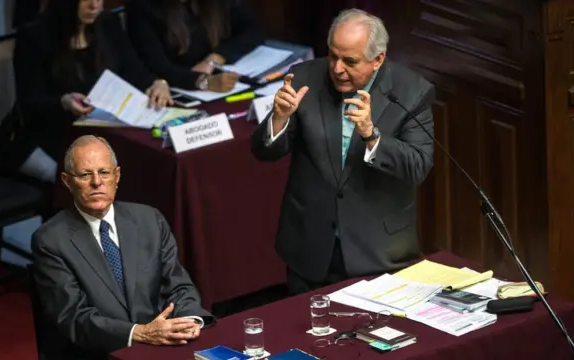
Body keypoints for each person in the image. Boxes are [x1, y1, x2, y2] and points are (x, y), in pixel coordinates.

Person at [250, 9, 435, 295]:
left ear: (378, 60)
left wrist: (371, 135)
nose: (337, 68)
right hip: (310, 247)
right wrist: (279, 118)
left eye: (349, 61)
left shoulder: (411, 92)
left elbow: (417, 166)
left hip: (378, 253)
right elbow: (263, 152)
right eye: (333, 55)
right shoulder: (303, 79)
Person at [31, 135, 215, 359]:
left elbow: (179, 287)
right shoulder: (51, 240)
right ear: (67, 181)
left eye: (104, 172)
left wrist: (189, 321)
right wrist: (138, 333)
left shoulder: (149, 220)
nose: (96, 182)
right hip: (98, 353)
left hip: (158, 346)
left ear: (116, 176)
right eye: (85, 174)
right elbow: (73, 317)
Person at [12, 0, 172, 184]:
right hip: (52, 137)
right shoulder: (33, 36)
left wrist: (158, 83)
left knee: (146, 169)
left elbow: (134, 71)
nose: (95, 6)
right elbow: (29, 103)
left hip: (101, 135)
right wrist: (63, 101)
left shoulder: (107, 23)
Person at [125, 0, 265, 91]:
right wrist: (204, 82)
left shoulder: (215, 4)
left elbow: (253, 30)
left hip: (219, 79)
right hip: (179, 88)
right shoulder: (141, 8)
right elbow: (158, 67)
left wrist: (216, 58)